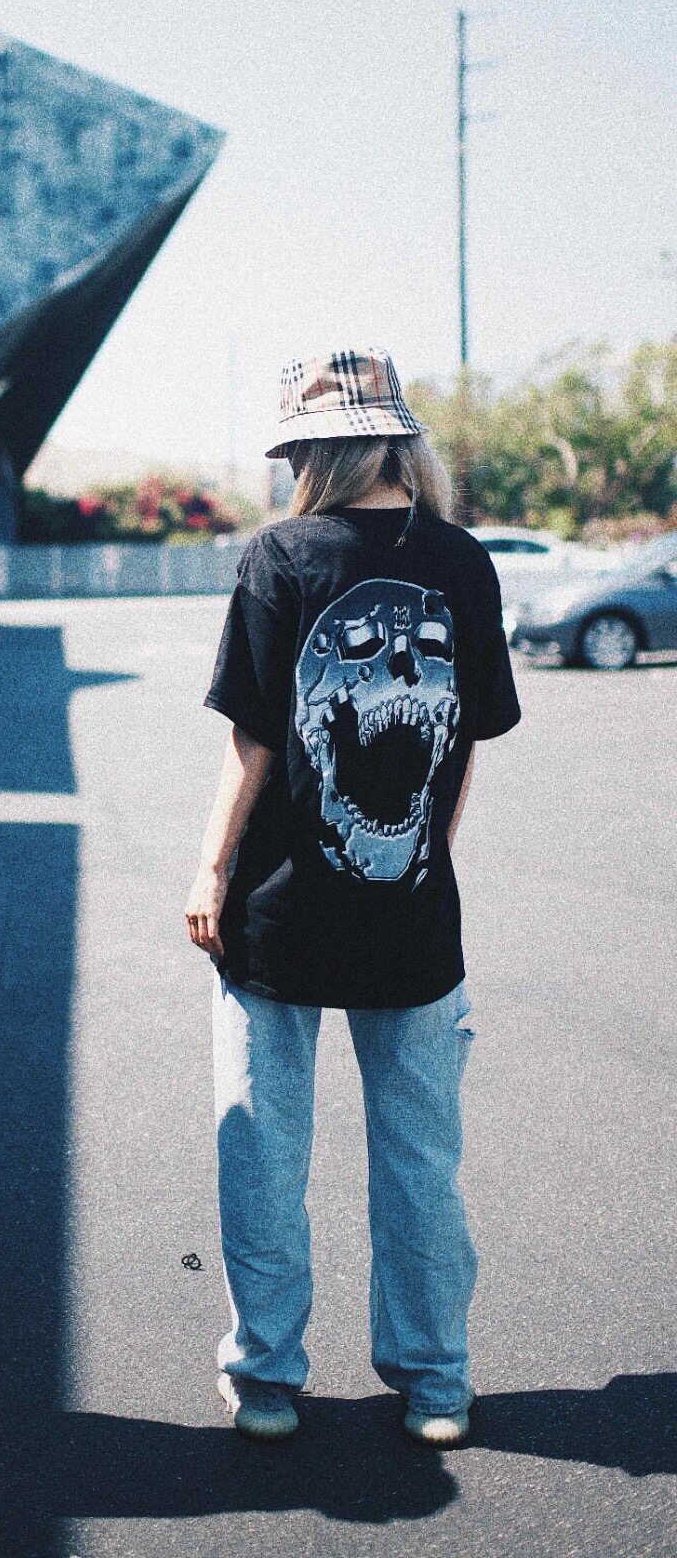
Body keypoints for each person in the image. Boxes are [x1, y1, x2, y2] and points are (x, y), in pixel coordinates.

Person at [185, 347, 520, 1448]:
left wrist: (210, 868)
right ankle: (434, 1382)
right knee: (420, 1162)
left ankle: (265, 1378)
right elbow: (465, 737)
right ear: (394, 439)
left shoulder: (280, 555)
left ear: (312, 451)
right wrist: (429, 856)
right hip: (412, 914)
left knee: (262, 1154)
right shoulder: (464, 560)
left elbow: (255, 740)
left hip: (276, 907)